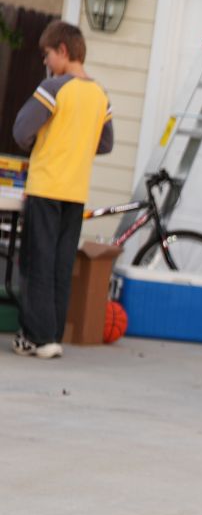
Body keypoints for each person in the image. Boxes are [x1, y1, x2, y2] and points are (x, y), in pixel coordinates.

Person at [11, 21, 113, 359]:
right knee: (59, 264)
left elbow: (21, 131)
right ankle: (52, 334)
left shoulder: (53, 88)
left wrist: (47, 143)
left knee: (36, 262)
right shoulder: (100, 94)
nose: (45, 62)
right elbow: (106, 143)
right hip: (75, 191)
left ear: (63, 52)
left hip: (45, 186)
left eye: (47, 54)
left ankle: (37, 338)